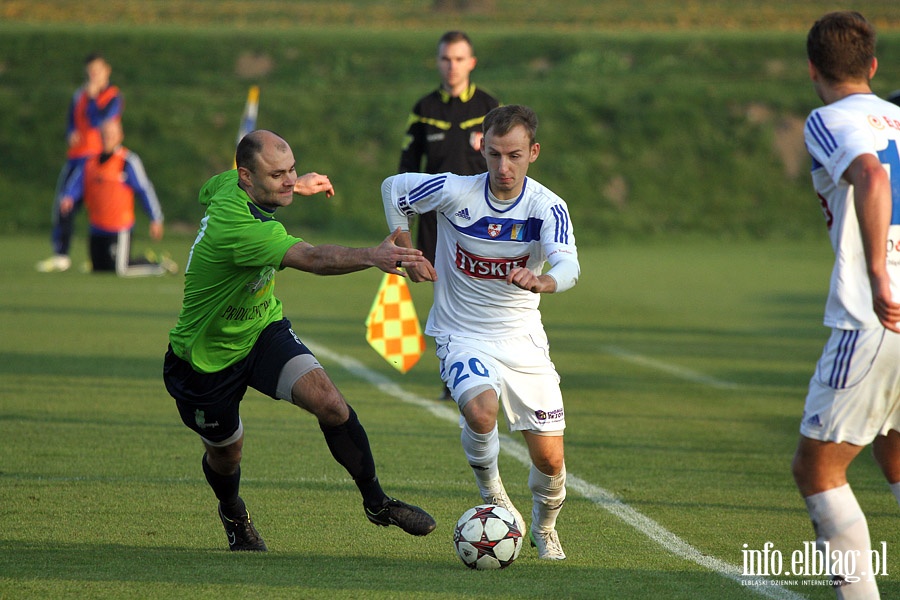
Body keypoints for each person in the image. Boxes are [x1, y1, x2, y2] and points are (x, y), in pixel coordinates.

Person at [163, 129, 436, 552]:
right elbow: (313, 258)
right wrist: (372, 255)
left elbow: (215, 184)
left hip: (260, 330)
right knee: (227, 454)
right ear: (247, 178)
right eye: (278, 175)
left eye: (291, 170)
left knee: (331, 403)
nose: (289, 180)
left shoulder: (226, 184)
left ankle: (377, 503)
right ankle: (233, 512)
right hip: (203, 360)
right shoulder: (238, 229)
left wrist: (297, 184)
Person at [382, 105, 580, 560]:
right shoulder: (456, 191)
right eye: (493, 154)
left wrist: (545, 280)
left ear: (533, 152)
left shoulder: (547, 207)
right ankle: (493, 495)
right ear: (482, 148)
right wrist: (403, 242)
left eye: (514, 155)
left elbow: (568, 263)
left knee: (550, 460)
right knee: (480, 412)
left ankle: (545, 527)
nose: (503, 167)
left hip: (523, 341)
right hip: (461, 333)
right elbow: (395, 187)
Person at [792, 11, 900, 599]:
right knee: (893, 450)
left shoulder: (827, 118)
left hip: (875, 318)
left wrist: (880, 271)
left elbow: (870, 175)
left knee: (817, 468)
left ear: (812, 68)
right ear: (874, 67)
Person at [399, 30, 500, 399]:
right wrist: (402, 220)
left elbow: (508, 163)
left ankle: (489, 370)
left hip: (482, 221)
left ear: (471, 62)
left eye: (459, 58)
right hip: (436, 220)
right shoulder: (425, 109)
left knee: (487, 290)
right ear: (438, 61)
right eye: (446, 58)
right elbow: (407, 167)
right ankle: (453, 375)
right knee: (445, 295)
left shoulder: (491, 107)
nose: (452, 65)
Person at [37, 53, 124, 273]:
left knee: (101, 209)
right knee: (65, 203)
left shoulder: (112, 96)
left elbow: (99, 121)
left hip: (98, 160)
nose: (93, 75)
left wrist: (94, 98)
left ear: (107, 71)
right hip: (76, 158)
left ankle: (96, 256)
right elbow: (72, 120)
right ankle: (61, 254)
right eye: (90, 71)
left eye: (97, 70)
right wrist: (70, 132)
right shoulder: (80, 95)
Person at [59, 119, 175, 277]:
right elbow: (78, 183)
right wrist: (69, 197)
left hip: (119, 227)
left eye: (112, 135)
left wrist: (155, 218)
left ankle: (158, 265)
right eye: (105, 135)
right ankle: (144, 260)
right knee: (99, 270)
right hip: (97, 226)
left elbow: (144, 189)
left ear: (120, 136)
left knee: (120, 269)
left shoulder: (127, 161)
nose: (108, 139)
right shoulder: (90, 162)